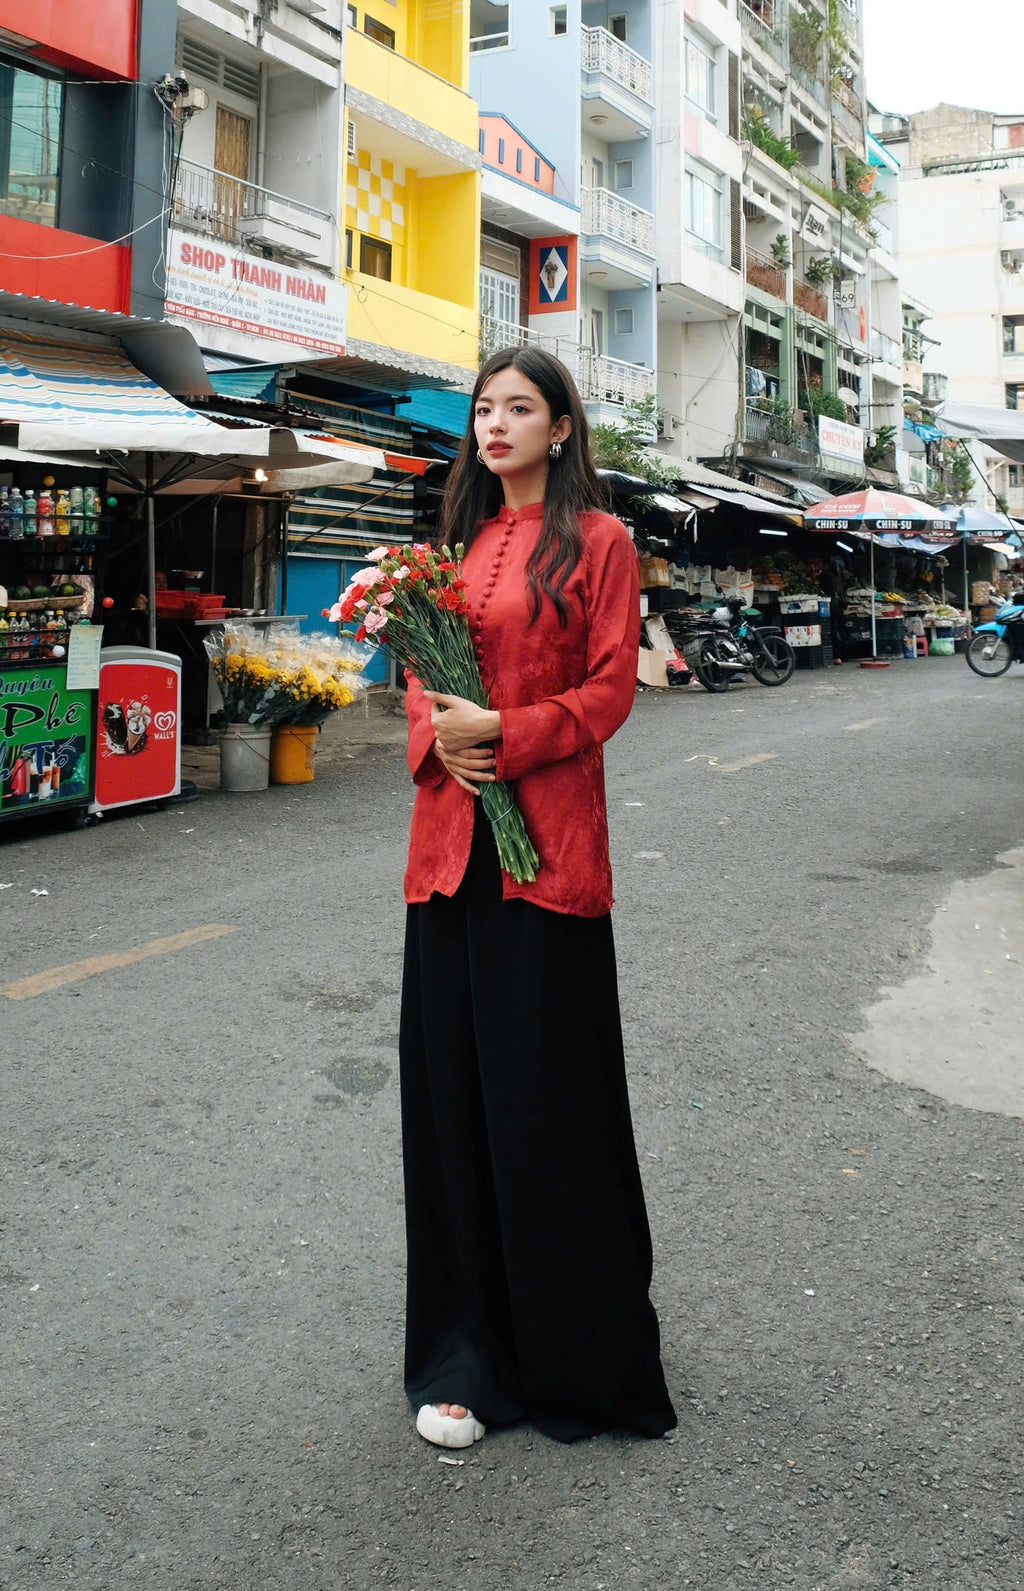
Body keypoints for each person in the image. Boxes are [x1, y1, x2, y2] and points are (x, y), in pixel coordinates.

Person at [399, 346, 677, 1450]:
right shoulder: (456, 548)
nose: (494, 423)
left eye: (519, 407)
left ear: (561, 427)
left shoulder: (601, 542)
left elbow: (610, 686)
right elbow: (419, 673)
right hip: (446, 854)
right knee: (452, 1105)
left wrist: (506, 736)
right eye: (482, 408)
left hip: (547, 856)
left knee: (545, 1102)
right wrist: (439, 733)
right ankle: (465, 1352)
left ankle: (575, 1352)